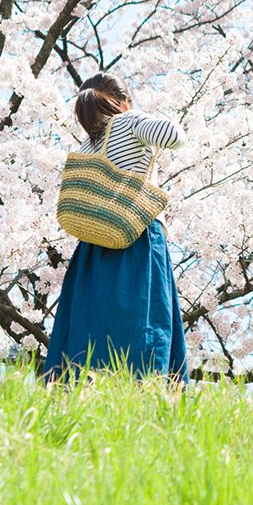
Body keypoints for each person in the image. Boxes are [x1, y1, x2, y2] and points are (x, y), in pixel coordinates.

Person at [44, 72, 189, 383]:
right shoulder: (131, 120)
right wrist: (133, 115)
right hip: (135, 237)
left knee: (88, 326)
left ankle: (79, 396)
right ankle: (142, 398)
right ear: (123, 101)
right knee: (144, 323)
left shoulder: (86, 144)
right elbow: (175, 136)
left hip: (92, 250)